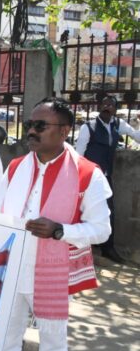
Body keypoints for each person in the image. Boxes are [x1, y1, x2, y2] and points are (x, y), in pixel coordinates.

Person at [0, 98, 112, 351]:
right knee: (5, 340)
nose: (31, 131)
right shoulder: (16, 167)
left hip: (50, 274)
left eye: (40, 125)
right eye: (30, 124)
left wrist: (60, 230)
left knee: (53, 349)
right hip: (12, 268)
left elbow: (101, 230)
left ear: (64, 131)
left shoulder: (87, 174)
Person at [75, 94, 140, 264]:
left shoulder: (119, 124)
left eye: (111, 105)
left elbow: (136, 136)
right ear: (99, 107)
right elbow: (78, 155)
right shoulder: (89, 127)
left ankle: (107, 248)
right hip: (88, 177)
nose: (107, 107)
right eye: (104, 104)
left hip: (105, 177)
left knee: (108, 213)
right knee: (83, 211)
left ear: (115, 109)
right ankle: (82, 249)